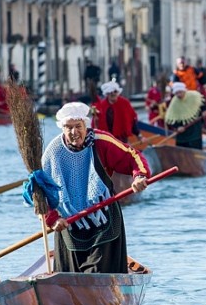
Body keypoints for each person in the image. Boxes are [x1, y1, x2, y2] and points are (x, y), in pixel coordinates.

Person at [28, 102, 150, 274]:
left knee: (100, 272)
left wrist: (140, 176)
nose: (74, 132)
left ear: (86, 125)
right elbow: (41, 192)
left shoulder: (102, 142)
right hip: (67, 222)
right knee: (68, 275)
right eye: (68, 127)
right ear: (62, 128)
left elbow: (132, 156)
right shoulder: (51, 153)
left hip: (103, 218)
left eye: (78, 126)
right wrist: (53, 218)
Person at [164, 82, 205, 149]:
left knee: (196, 147)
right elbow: (171, 117)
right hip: (182, 133)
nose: (179, 95)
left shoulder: (193, 96)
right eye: (176, 93)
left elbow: (202, 104)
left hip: (195, 130)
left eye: (180, 92)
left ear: (184, 91)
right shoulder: (174, 102)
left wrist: (204, 112)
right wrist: (177, 127)